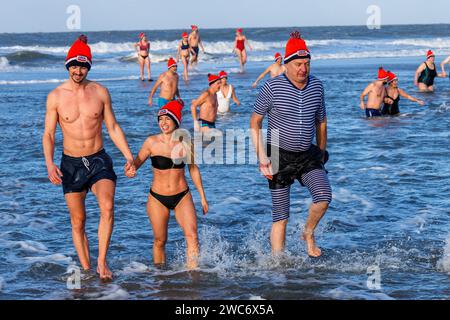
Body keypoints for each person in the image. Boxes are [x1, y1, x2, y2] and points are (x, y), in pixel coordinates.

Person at [42, 35, 135, 280]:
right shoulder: (56, 96)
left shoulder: (100, 92)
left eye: (83, 65)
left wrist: (129, 157)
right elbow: (49, 134)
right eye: (74, 65)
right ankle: (86, 268)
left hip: (98, 160)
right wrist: (49, 163)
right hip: (70, 164)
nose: (78, 70)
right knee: (78, 221)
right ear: (67, 65)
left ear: (89, 67)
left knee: (107, 206)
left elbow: (113, 127)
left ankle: (102, 262)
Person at [250, 31, 332, 258]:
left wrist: (322, 152)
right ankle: (278, 265)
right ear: (286, 64)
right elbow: (255, 122)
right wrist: (262, 158)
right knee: (281, 216)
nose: (303, 69)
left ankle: (308, 232)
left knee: (324, 197)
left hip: (308, 155)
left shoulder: (317, 86)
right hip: (277, 154)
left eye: (306, 63)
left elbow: (321, 121)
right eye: (298, 64)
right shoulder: (272, 87)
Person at [125, 101, 208, 270]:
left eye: (167, 119)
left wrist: (202, 197)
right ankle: (160, 276)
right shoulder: (151, 142)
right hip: (158, 198)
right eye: (160, 119)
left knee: (192, 236)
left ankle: (193, 275)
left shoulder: (186, 143)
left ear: (176, 121)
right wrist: (131, 169)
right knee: (160, 240)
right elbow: (136, 162)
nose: (163, 122)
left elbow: (193, 170)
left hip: (182, 196)